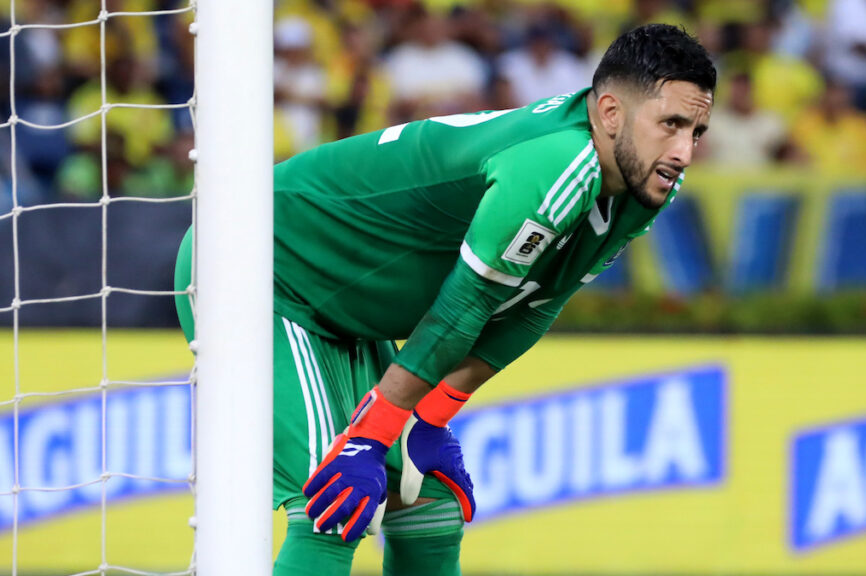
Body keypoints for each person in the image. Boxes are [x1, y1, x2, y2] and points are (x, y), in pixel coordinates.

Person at [174, 23, 715, 576]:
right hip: (259, 261)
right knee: (335, 505)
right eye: (670, 124)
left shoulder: (645, 181)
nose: (684, 153)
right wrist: (373, 432)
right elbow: (465, 306)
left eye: (696, 130)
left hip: (340, 303)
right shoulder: (556, 165)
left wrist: (430, 416)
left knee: (428, 507)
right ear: (610, 112)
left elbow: (538, 305)